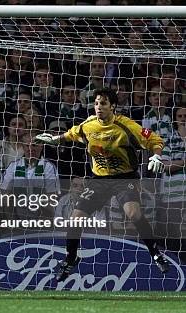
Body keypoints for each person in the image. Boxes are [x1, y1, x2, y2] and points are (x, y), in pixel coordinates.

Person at [35, 87, 170, 281]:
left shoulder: (126, 125)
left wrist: (157, 156)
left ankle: (155, 253)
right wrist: (57, 139)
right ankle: (71, 258)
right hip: (99, 179)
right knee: (75, 219)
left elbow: (155, 140)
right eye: (96, 103)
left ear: (113, 106)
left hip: (124, 178)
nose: (98, 107)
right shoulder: (89, 124)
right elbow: (72, 134)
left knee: (133, 213)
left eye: (103, 103)